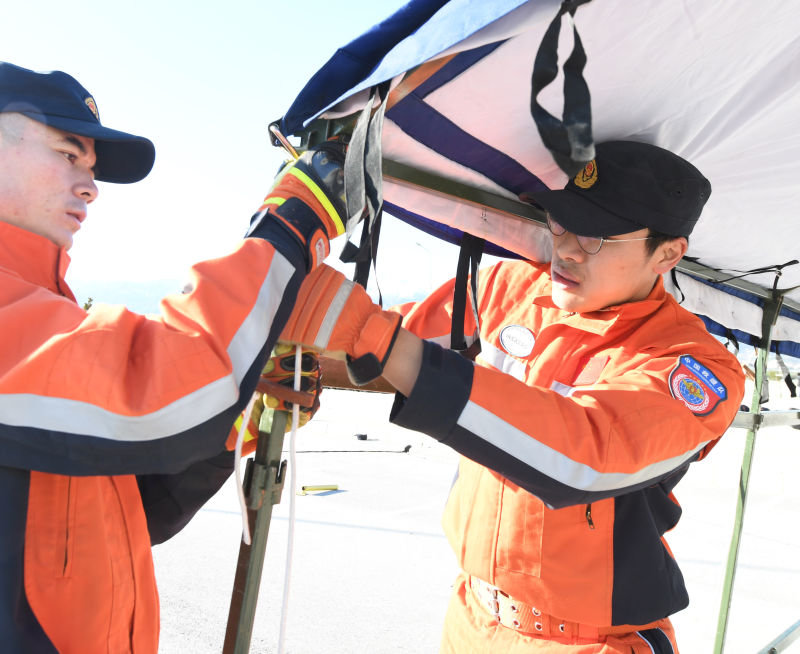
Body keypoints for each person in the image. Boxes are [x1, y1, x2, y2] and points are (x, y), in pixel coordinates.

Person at [0, 61, 346, 653]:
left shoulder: (34, 313)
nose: (90, 186)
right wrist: (294, 221)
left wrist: (237, 409)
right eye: (69, 154)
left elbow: (126, 514)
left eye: (91, 167)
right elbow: (155, 398)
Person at [279, 141, 745, 653]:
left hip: (590, 643)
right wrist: (304, 362)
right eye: (562, 221)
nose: (565, 248)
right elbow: (388, 344)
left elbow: (585, 456)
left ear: (667, 253)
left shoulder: (693, 364)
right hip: (471, 620)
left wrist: (368, 336)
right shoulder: (511, 285)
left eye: (595, 236)